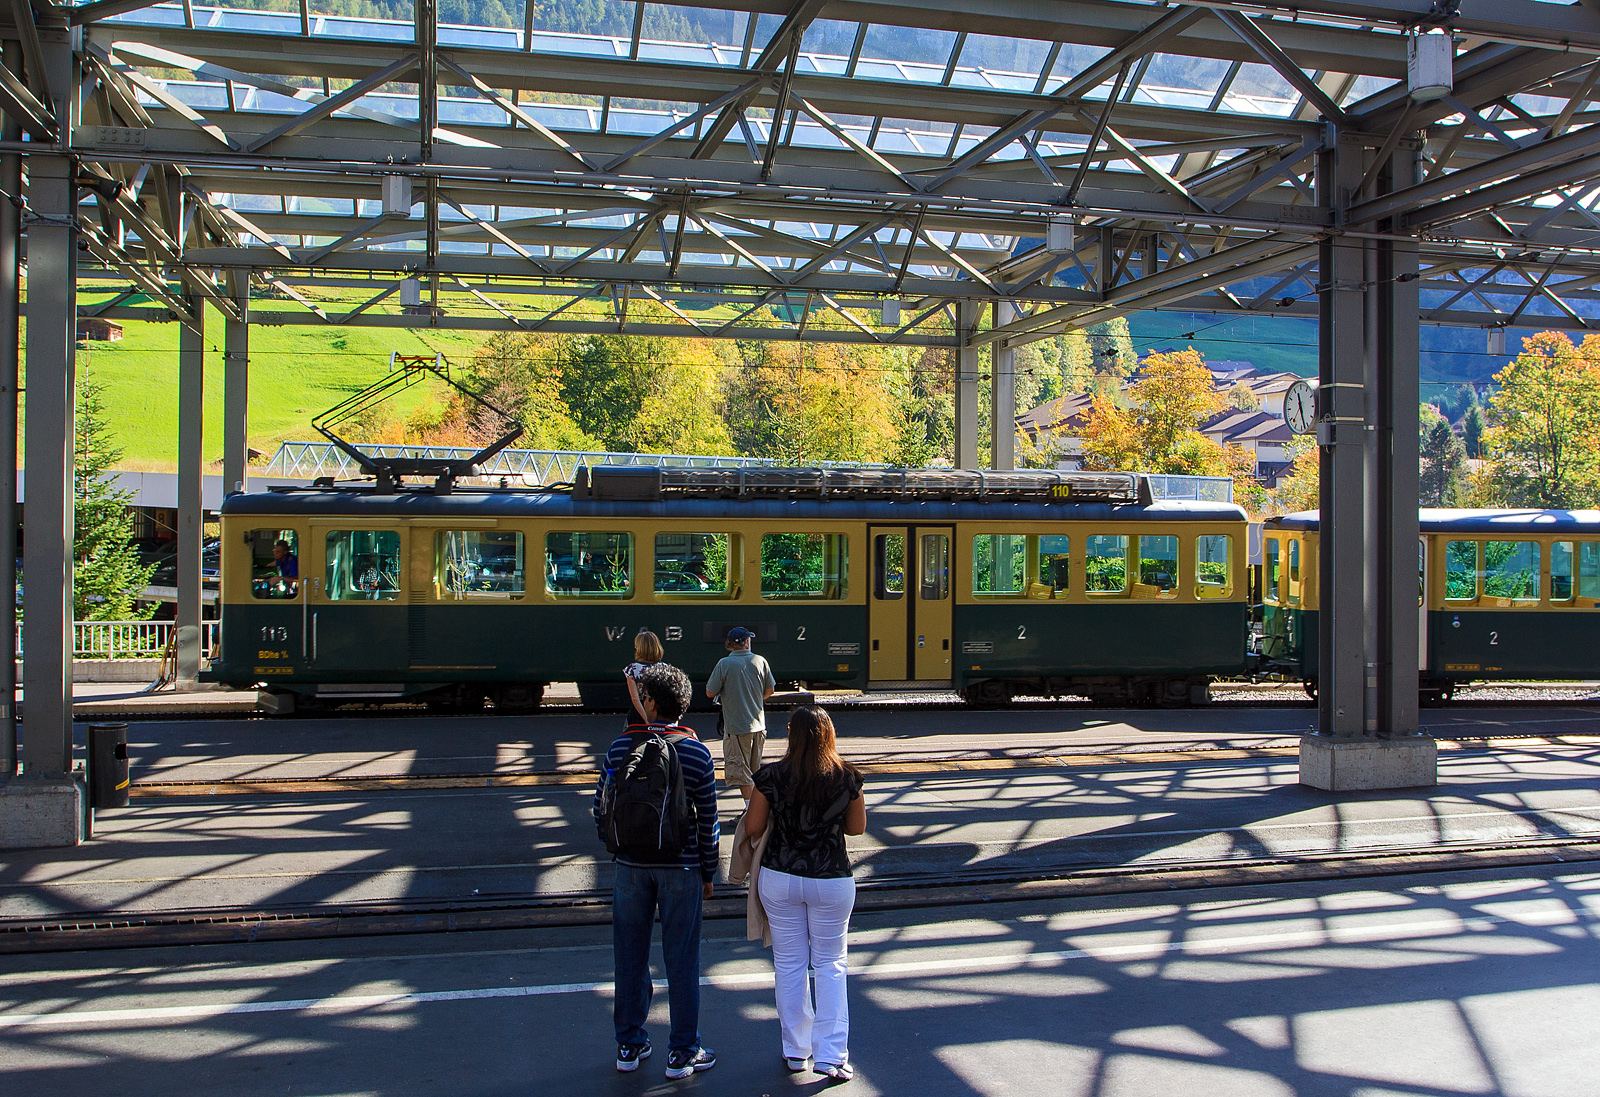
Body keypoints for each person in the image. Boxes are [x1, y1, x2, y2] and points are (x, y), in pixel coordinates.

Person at [593, 663, 720, 1080]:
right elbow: (709, 821)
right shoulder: (697, 752)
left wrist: (619, 847)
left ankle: (629, 1045)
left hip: (630, 868)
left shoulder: (618, 748)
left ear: (649, 702)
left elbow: (601, 810)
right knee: (682, 960)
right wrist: (708, 871)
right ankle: (683, 1051)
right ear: (682, 706)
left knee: (629, 957)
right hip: (682, 869)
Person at [743, 706, 865, 1081]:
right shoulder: (847, 777)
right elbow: (857, 828)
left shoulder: (771, 776)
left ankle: (797, 1052)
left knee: (790, 964)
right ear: (829, 735)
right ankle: (830, 1056)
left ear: (791, 735)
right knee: (831, 964)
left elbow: (753, 826)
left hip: (780, 877)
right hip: (831, 878)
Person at [705, 626, 776, 806]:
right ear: (745, 642)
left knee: (741, 772)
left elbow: (709, 692)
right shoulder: (761, 661)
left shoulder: (724, 664)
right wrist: (754, 698)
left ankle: (749, 812)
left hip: (737, 727)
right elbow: (770, 690)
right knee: (754, 771)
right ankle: (755, 810)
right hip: (759, 726)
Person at [624, 630, 665, 723]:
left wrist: (647, 720)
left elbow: (635, 698)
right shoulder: (666, 668)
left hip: (637, 717)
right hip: (660, 715)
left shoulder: (632, 669)